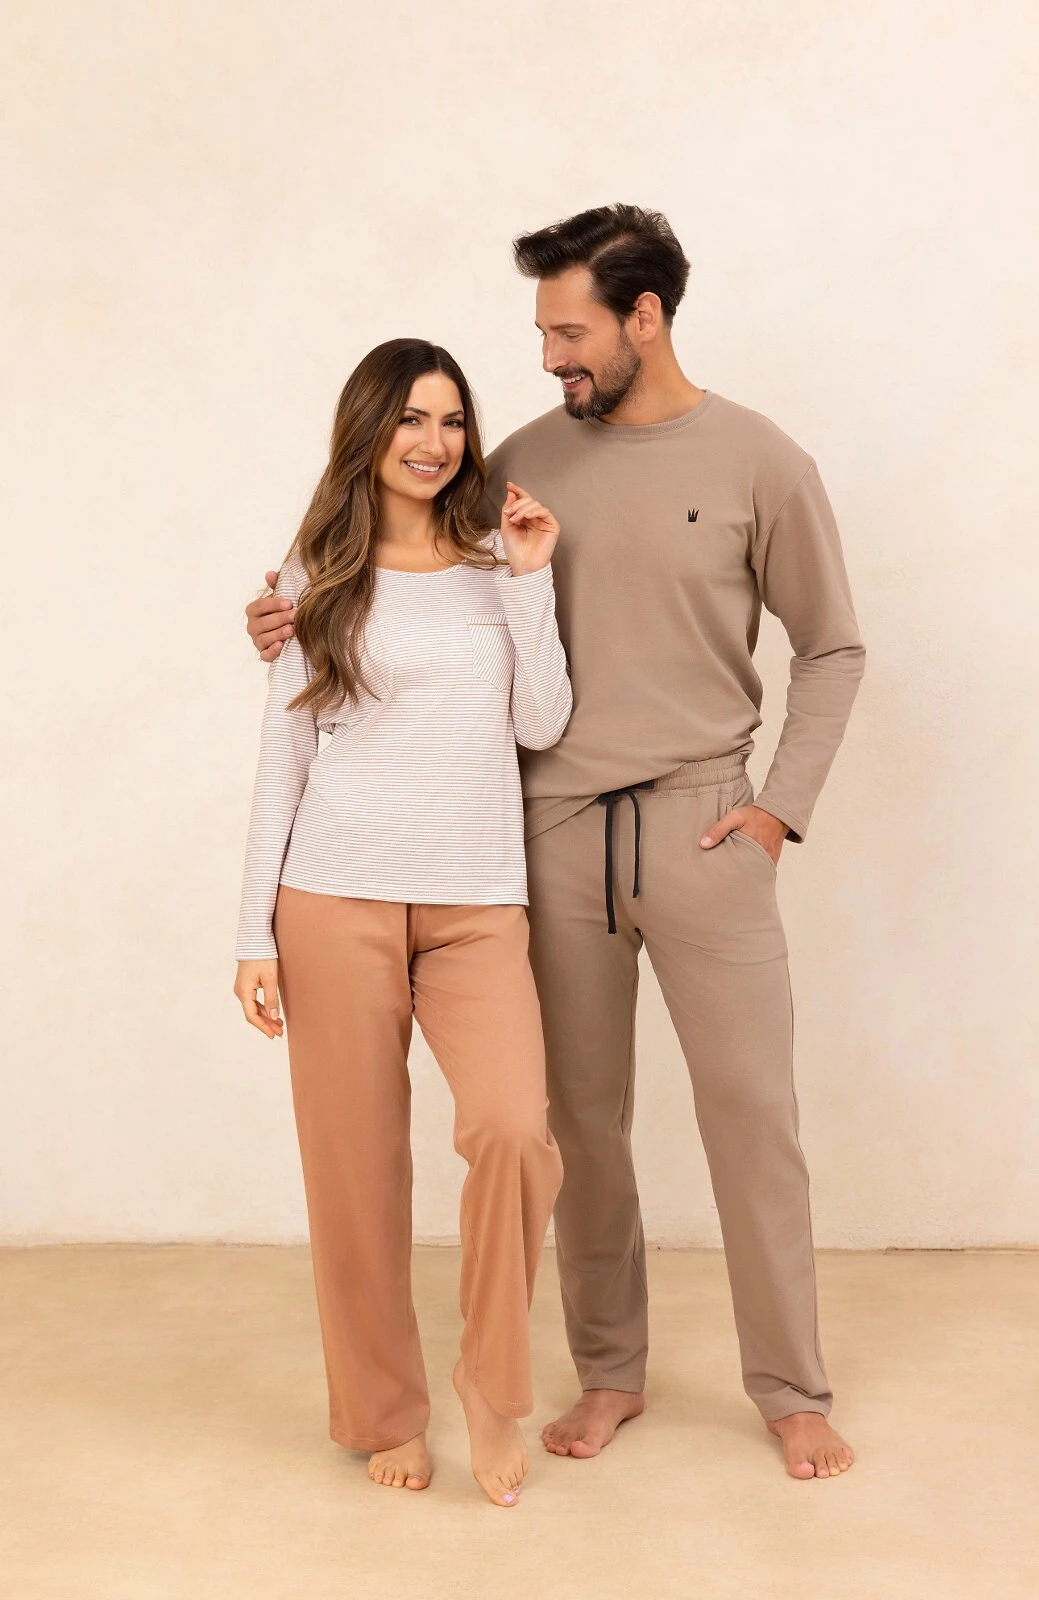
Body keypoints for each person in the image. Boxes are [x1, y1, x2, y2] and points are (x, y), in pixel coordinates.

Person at [247, 206, 866, 1482]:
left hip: (705, 826)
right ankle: (608, 1372)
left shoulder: (761, 461)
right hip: (546, 841)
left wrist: (776, 807)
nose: (546, 358)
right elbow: (389, 575)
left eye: (569, 332)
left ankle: (790, 1390)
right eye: (539, 333)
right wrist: (281, 616)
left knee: (751, 1115)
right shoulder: (517, 465)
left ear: (644, 317)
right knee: (575, 1127)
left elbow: (831, 645)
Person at [234, 338, 571, 1507]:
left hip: (476, 898)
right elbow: (282, 754)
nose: (434, 442)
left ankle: (490, 1379)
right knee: (355, 1170)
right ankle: (383, 1410)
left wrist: (528, 578)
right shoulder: (310, 576)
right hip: (333, 897)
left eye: (452, 420)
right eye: (411, 419)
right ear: (369, 430)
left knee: (514, 1129)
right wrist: (251, 933)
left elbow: (540, 722)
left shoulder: (495, 561)